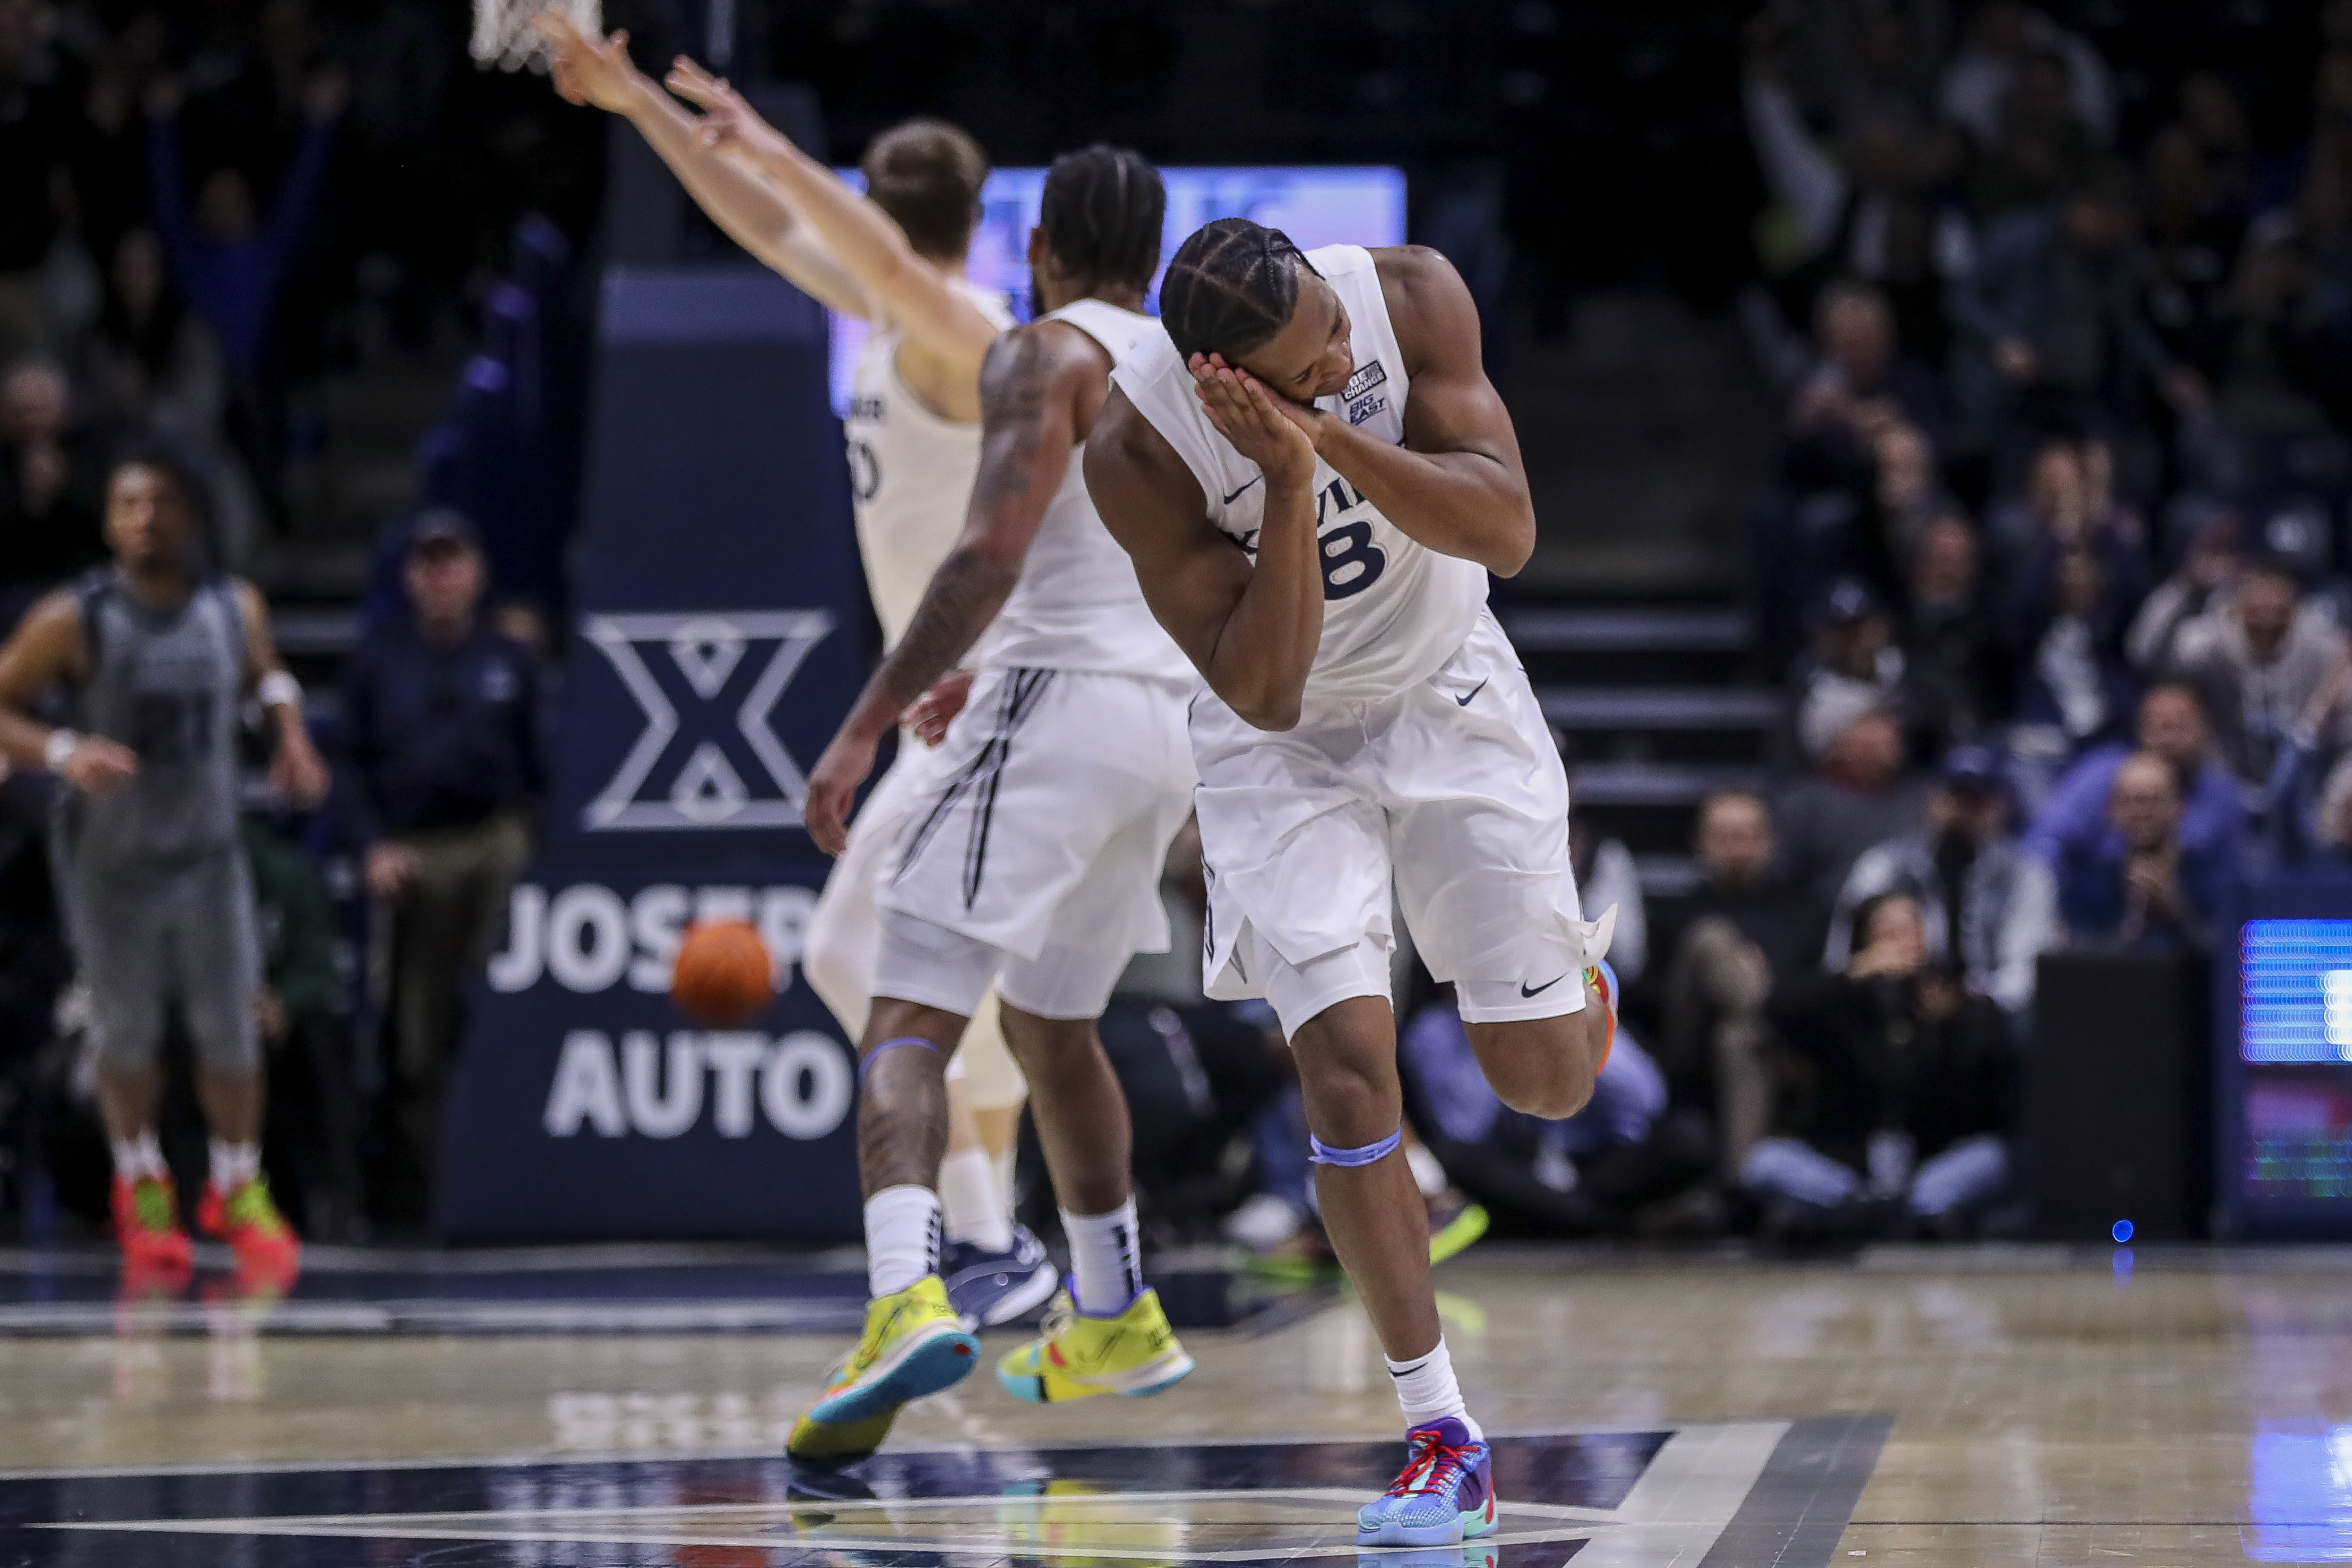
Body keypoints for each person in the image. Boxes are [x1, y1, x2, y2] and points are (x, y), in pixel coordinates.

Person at [1087, 217, 1614, 1547]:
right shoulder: (1139, 450)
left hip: (1450, 684)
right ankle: (1440, 1430)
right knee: (1343, 1067)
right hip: (1286, 749)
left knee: (1544, 1081)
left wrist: (1328, 440)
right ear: (1225, 379)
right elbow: (1264, 694)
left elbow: (1506, 530)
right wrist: (1276, 483)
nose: (1337, 350)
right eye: (1304, 359)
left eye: (1329, 324)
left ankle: (1575, 983)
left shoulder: (1409, 291)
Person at [536, 15, 1054, 1326]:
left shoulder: (971, 331)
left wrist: (777, 148)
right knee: (910, 970)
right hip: (957, 713)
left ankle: (1003, 1242)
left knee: (855, 953)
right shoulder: (888, 318)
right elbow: (766, 235)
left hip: (1004, 702)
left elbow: (851, 246)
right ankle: (1010, 1245)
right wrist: (640, 110)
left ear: (888, 209)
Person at [773, 144, 1197, 1460]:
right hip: (1163, 722)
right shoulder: (1196, 370)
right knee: (1054, 1021)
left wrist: (860, 727)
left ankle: (908, 1290)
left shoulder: (1034, 351)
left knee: (905, 1005)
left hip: (1053, 700)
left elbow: (985, 555)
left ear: (1041, 251)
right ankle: (1115, 1304)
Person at [0, 449, 329, 1285]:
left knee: (230, 1027)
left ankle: (233, 1184)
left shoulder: (231, 606)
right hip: (114, 859)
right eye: (128, 503)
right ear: (109, 521)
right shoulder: (75, 618)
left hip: (210, 850)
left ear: (195, 515)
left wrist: (290, 738)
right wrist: (63, 748)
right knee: (129, 1031)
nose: (144, 517)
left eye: (162, 502)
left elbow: (266, 679)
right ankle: (141, 1181)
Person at [338, 511, 540, 1226]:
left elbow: (540, 768)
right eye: (429, 564)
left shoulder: (510, 657)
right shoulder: (378, 657)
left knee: (506, 984)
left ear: (476, 573)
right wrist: (371, 845)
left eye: (453, 561)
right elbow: (350, 769)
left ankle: (512, 1165)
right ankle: (422, 1191)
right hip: (413, 847)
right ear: (410, 578)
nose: (442, 576)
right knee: (417, 1028)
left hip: (491, 838)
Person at [1750, 892, 2017, 1238]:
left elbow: (1983, 1075)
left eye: (1907, 931)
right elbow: (1776, 1012)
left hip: (1926, 1166)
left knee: (1992, 1157)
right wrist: (1852, 974)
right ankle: (1869, 1210)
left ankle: (1890, 1212)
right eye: (1885, 933)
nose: (1897, 944)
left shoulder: (1949, 1004)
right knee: (1766, 1163)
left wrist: (1944, 1024)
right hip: (1850, 1168)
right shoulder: (1841, 1001)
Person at [1651, 790, 1821, 1182]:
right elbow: (1653, 996)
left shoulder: (1802, 911)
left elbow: (1816, 989)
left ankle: (1739, 1181)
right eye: (1724, 838)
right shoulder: (1675, 912)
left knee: (1739, 1036)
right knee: (1710, 940)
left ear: (1769, 841)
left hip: (1769, 1050)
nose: (1737, 849)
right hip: (1692, 1047)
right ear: (1701, 844)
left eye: (1747, 836)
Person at [1824, 745, 2060, 1019]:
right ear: (1931, 800)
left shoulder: (2025, 876)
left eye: (1976, 801)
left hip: (1986, 1019)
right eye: (1954, 798)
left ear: (2000, 808)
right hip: (1894, 1003)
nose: (1962, 813)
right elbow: (1841, 960)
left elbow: (2023, 978)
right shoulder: (1884, 866)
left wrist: (1964, 1000)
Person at [2054, 751, 2230, 953]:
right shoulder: (2087, 885)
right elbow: (2075, 963)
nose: (2143, 811)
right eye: (2132, 801)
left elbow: (2230, 958)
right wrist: (2132, 924)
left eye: (2154, 800)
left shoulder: (2215, 877)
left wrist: (2177, 911)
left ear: (2178, 808)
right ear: (2112, 811)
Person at [1776, 690, 1932, 912]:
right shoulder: (1805, 805)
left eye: (1889, 721)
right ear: (1836, 737)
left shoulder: (1923, 798)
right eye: (1873, 722)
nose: (1891, 729)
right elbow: (1784, 888)